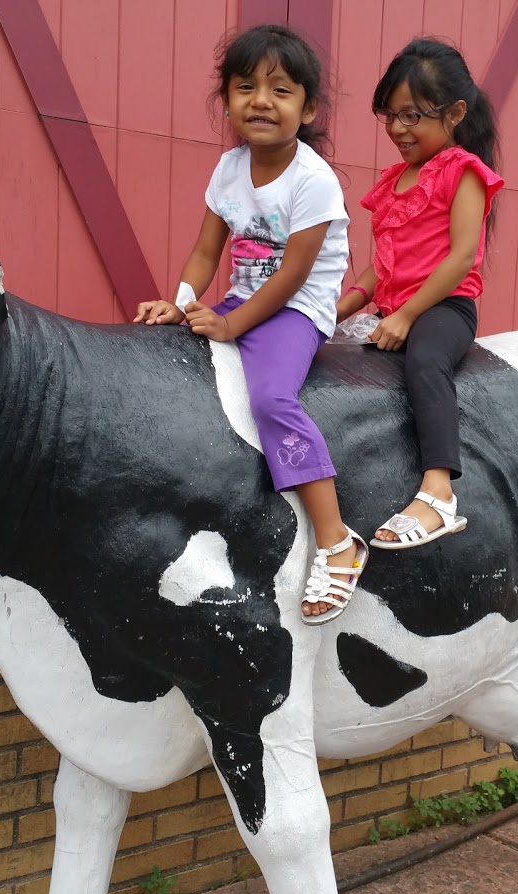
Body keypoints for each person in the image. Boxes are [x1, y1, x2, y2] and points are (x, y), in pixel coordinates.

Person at [133, 24, 364, 625]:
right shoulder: (230, 169)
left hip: (297, 308)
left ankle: (337, 541)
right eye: (245, 87)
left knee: (270, 398)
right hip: (244, 297)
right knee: (167, 357)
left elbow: (290, 276)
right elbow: (208, 252)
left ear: (307, 108)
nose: (261, 101)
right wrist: (181, 303)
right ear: (228, 99)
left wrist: (232, 327)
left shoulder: (313, 182)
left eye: (281, 90)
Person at [336, 38, 503, 551]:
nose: (398, 129)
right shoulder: (396, 180)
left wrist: (407, 315)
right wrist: (338, 307)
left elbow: (460, 259)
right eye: (390, 115)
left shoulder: (463, 171)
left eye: (412, 116)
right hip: (394, 307)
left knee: (427, 360)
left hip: (443, 308)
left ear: (454, 113)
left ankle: (438, 491)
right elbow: (382, 263)